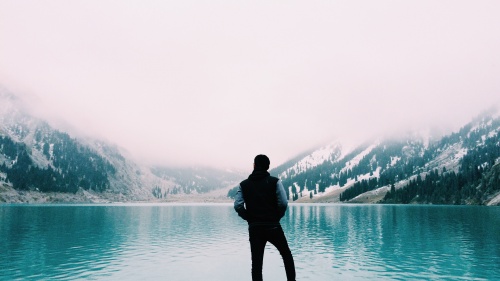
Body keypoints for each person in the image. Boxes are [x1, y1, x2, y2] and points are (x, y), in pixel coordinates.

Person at [234, 154, 296, 281]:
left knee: (256, 263)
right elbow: (283, 203)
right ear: (268, 167)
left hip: (255, 227)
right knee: (286, 254)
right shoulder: (275, 182)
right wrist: (276, 216)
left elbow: (238, 206)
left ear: (254, 165)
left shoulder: (243, 185)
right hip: (273, 225)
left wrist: (249, 218)